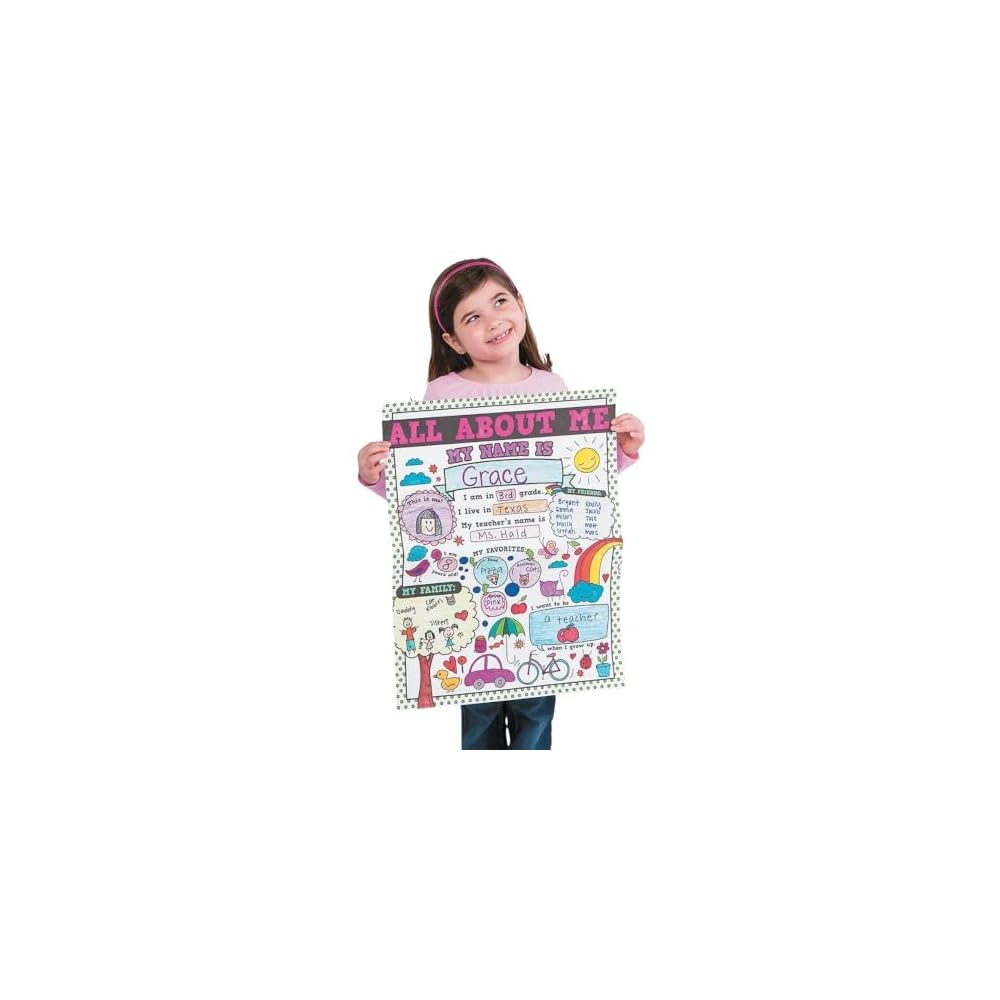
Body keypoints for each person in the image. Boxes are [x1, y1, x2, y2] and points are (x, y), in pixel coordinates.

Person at [357, 258, 645, 750]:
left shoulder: (552, 387)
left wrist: (622, 449)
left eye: (500, 302)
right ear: (452, 340)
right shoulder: (442, 394)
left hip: (543, 586)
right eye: (472, 317)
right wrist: (373, 475)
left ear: (521, 305)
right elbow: (424, 497)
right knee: (478, 714)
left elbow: (577, 477)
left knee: (536, 712)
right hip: (469, 585)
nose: (493, 321)